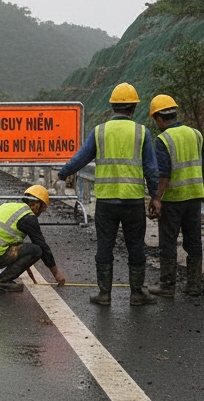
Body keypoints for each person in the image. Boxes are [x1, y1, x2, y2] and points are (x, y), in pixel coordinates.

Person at [57, 82, 159, 306]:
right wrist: (155, 196)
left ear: (112, 107)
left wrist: (63, 173)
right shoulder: (142, 132)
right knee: (135, 246)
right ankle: (137, 294)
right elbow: (151, 169)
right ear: (133, 108)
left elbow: (81, 158)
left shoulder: (99, 131)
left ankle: (104, 294)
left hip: (106, 202)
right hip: (132, 201)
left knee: (105, 246)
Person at [147, 94, 204, 297]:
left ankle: (167, 286)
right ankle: (194, 285)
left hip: (173, 199)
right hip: (195, 197)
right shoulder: (196, 134)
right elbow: (202, 166)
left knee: (168, 242)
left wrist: (156, 198)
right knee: (194, 241)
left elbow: (164, 174)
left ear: (159, 118)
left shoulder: (163, 139)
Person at [0, 185, 67, 292]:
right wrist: (56, 274)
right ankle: (4, 281)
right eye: (42, 209)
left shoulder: (7, 205)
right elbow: (42, 247)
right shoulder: (28, 217)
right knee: (36, 250)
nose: (40, 213)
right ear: (37, 204)